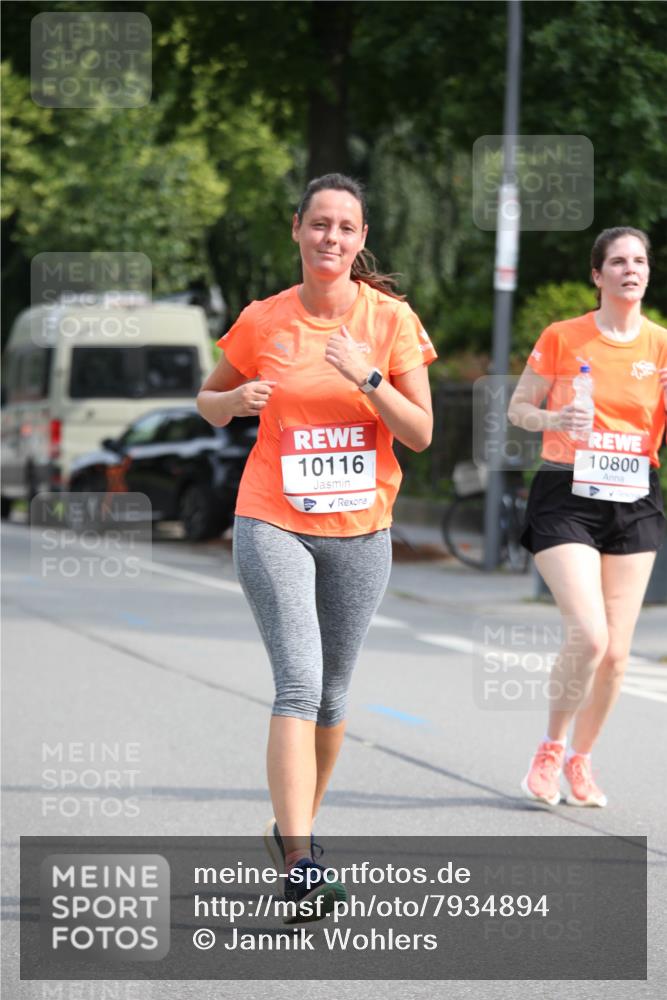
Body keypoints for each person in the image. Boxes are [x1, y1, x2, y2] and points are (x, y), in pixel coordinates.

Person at [197, 173, 437, 918]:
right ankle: (300, 862)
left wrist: (365, 375)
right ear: (296, 229)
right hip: (273, 517)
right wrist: (234, 402)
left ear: (361, 239)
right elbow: (207, 403)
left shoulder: (390, 321)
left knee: (333, 696)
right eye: (318, 224)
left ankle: (290, 830)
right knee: (298, 683)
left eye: (346, 227)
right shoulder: (262, 320)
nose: (331, 238)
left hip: (361, 529)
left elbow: (420, 434)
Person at [508, 226, 667, 808]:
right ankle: (548, 750)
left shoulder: (661, 345)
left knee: (620, 652)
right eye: (618, 261)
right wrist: (553, 422)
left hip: (634, 495)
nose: (631, 269)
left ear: (647, 274)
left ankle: (582, 759)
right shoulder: (562, 337)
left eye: (640, 261)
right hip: (566, 493)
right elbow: (519, 408)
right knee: (591, 635)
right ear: (597, 276)